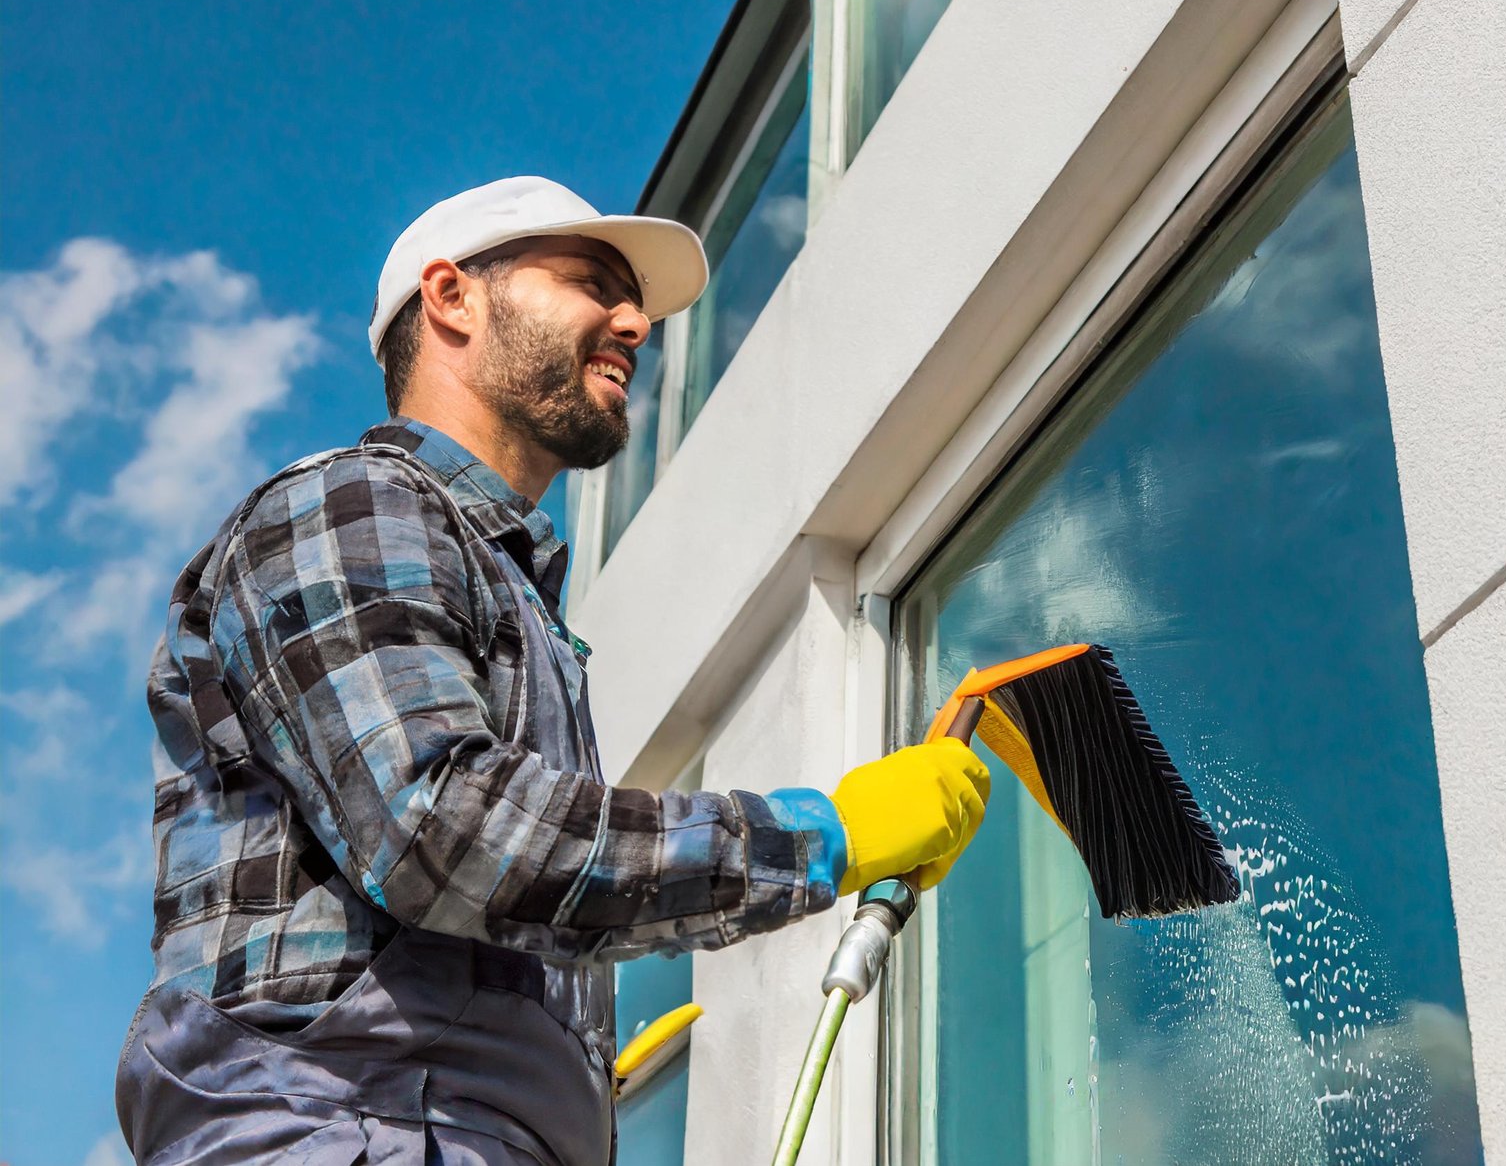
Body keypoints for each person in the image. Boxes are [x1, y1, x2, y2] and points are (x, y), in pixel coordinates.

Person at [115, 177, 990, 1165]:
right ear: (452, 297)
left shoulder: (513, 596)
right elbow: (443, 828)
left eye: (635, 303)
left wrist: (563, 1072)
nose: (636, 324)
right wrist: (825, 836)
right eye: (591, 283)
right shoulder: (352, 505)